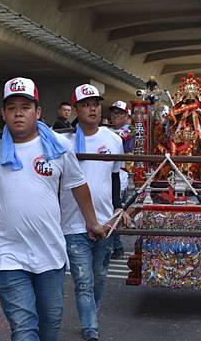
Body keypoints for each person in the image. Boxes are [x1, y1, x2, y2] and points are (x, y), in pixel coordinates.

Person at [0, 77, 105, 341]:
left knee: (50, 326)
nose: (18, 113)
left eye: (25, 107)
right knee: (24, 329)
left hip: (50, 252)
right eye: (11, 107)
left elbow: (78, 185)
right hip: (8, 254)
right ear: (3, 113)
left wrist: (92, 221)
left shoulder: (59, 149)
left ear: (37, 112)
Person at [62, 85, 128, 341]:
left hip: (106, 222)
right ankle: (91, 329)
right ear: (76, 110)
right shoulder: (64, 142)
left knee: (99, 277)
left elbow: (115, 177)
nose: (92, 108)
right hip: (73, 223)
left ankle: (91, 314)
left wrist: (117, 208)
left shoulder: (113, 139)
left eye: (96, 104)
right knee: (83, 280)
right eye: (86, 104)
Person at [108, 100, 134, 260]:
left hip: (123, 176)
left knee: (115, 211)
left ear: (126, 116)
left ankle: (116, 246)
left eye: (119, 114)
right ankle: (115, 246)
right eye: (114, 113)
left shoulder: (129, 131)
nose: (115, 116)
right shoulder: (108, 131)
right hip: (109, 175)